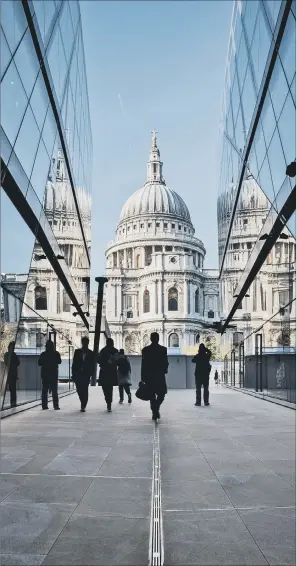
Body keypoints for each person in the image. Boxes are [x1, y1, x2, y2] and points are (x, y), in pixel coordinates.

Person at [141, 332, 168, 421]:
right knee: (162, 394)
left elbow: (143, 365)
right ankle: (156, 409)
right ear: (158, 338)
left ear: (151, 339)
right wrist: (164, 370)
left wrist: (143, 377)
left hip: (149, 375)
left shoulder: (145, 350)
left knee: (152, 395)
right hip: (159, 375)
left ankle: (154, 411)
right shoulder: (163, 349)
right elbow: (165, 362)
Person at [72, 336, 94, 412]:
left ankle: (83, 404)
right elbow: (74, 364)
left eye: (86, 343)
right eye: (83, 342)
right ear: (82, 343)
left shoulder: (91, 353)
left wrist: (91, 374)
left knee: (85, 389)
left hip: (86, 374)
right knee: (79, 389)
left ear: (88, 343)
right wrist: (73, 374)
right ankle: (82, 401)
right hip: (78, 374)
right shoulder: (77, 352)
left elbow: (92, 365)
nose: (85, 344)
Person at [38, 340, 61, 410]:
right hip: (53, 374)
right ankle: (56, 405)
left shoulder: (43, 354)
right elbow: (59, 361)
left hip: (45, 374)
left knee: (44, 390)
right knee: (54, 390)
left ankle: (44, 405)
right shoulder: (56, 353)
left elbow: (39, 363)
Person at [98, 338, 118, 412]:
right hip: (112, 372)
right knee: (110, 388)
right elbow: (117, 362)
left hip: (104, 371)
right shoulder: (115, 351)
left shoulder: (103, 350)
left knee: (105, 387)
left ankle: (108, 401)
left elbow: (99, 360)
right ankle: (109, 402)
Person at [4, 341, 20, 408]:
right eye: (12, 347)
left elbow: (17, 363)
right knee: (12, 390)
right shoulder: (10, 354)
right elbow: (8, 363)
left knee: (12, 390)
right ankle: (13, 403)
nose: (13, 348)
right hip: (10, 374)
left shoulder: (12, 354)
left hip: (12, 374)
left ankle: (13, 403)